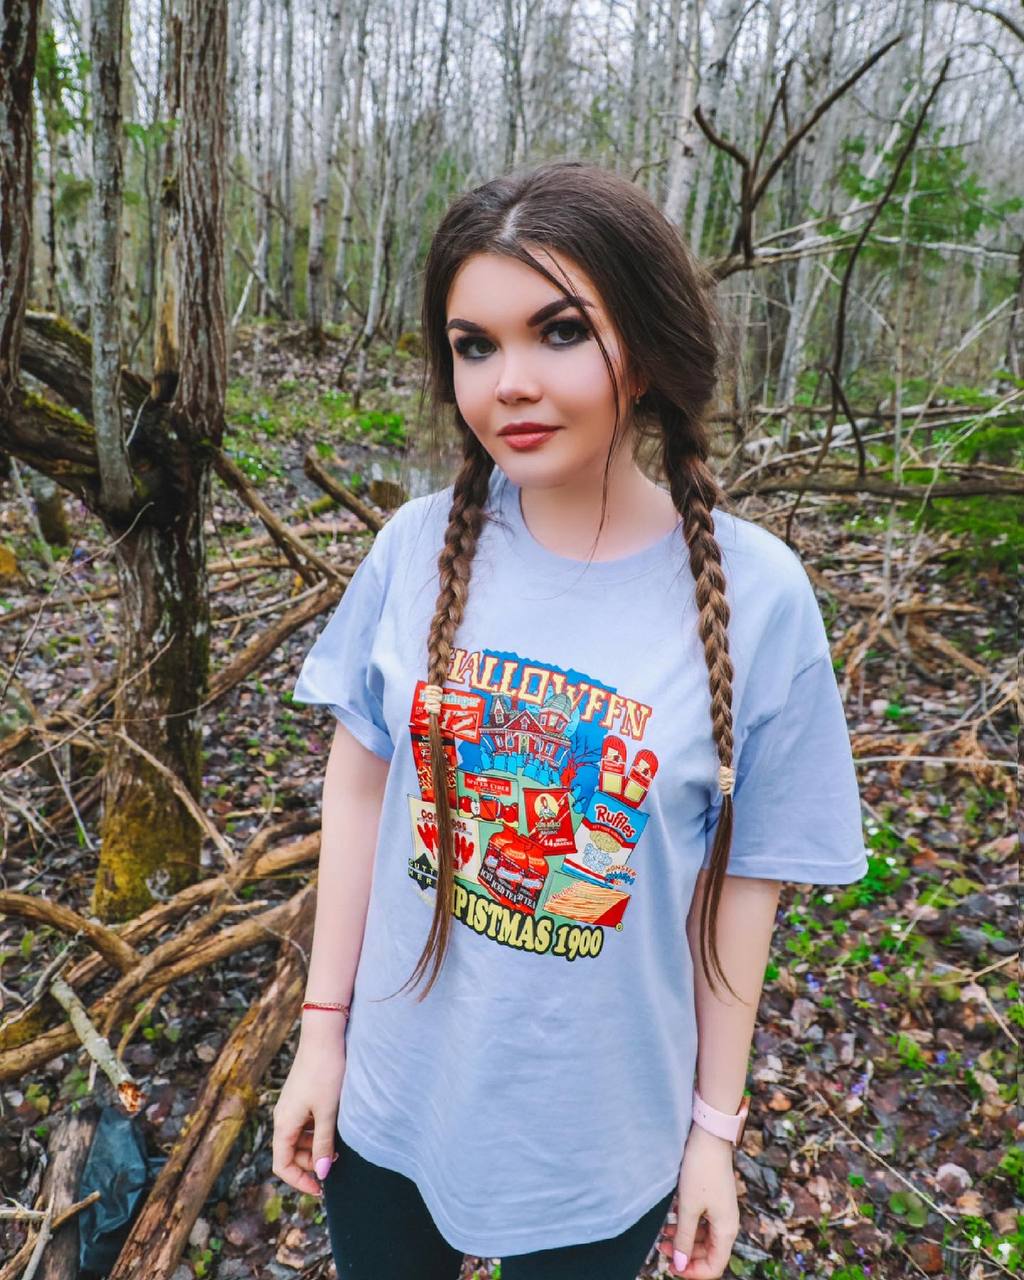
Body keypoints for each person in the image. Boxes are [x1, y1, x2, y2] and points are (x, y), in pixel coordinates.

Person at [272, 160, 868, 1280]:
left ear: (644, 346)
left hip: (597, 1142)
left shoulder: (760, 596)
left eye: (557, 332)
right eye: (474, 345)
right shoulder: (414, 547)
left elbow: (745, 884)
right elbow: (357, 788)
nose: (509, 383)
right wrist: (321, 1032)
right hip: (391, 1100)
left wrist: (713, 1132)